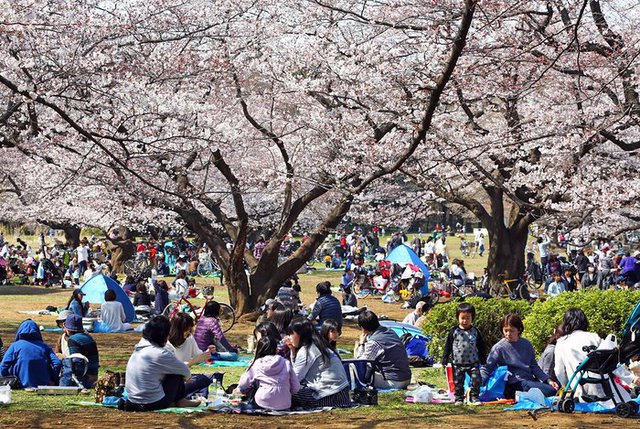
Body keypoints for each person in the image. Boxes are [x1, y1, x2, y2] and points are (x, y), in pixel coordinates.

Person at [121, 315, 201, 411]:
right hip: (152, 402)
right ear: (163, 335)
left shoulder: (139, 348)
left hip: (132, 400)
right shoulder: (160, 353)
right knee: (176, 373)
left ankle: (174, 401)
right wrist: (186, 377)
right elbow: (185, 371)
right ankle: (181, 401)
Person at [481, 313, 558, 398]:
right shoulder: (499, 348)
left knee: (553, 388)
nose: (508, 334)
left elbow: (534, 367)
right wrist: (476, 386)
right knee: (551, 391)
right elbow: (487, 368)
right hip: (513, 384)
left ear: (519, 330)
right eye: (506, 330)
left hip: (528, 381)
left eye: (511, 330)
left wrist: (548, 380)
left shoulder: (526, 344)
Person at [285, 318, 350, 408]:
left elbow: (295, 379)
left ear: (300, 334)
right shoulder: (322, 344)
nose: (289, 337)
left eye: (292, 333)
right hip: (343, 396)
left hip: (326, 397)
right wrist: (293, 351)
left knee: (285, 389)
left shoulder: (307, 350)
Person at [554, 308, 614, 401]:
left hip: (579, 390)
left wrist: (566, 386)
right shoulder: (594, 337)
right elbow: (608, 360)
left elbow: (559, 371)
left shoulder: (562, 341)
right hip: (604, 389)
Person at [236, 336, 300, 410]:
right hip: (285, 404)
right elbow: (296, 387)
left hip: (263, 402)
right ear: (276, 350)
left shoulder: (258, 363)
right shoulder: (286, 362)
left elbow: (243, 383)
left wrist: (239, 389)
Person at [441, 303, 486, 405]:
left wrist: (483, 360)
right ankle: (459, 398)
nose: (465, 321)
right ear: (458, 318)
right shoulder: (454, 331)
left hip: (473, 362)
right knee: (458, 383)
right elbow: (448, 346)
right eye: (462, 318)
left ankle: (474, 397)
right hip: (457, 363)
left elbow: (481, 346)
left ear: (472, 319)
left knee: (476, 380)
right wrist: (444, 359)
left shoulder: (475, 331)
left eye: (468, 318)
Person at [354, 310, 412, 389]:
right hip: (406, 379)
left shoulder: (374, 342)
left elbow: (361, 362)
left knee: (356, 371)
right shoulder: (390, 331)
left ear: (363, 328)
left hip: (394, 382)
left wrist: (361, 344)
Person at [0, 319, 61, 388]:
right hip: (44, 383)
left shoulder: (15, 346)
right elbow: (57, 363)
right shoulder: (45, 347)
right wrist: (53, 379)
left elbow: (4, 365)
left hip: (20, 383)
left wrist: (7, 379)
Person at [59, 314, 100, 388]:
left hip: (86, 378)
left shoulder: (73, 340)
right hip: (94, 375)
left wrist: (62, 357)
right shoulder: (88, 336)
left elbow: (75, 362)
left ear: (67, 329)